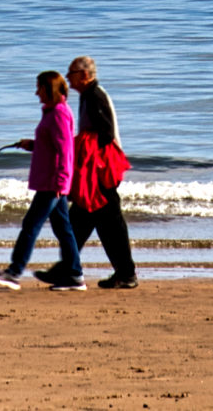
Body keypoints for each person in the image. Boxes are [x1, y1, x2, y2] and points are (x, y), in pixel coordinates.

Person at [0, 69, 83, 290]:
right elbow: (52, 146)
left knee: (31, 224)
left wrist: (61, 182)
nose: (36, 92)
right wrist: (33, 145)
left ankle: (14, 272)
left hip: (53, 183)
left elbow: (65, 151)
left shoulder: (59, 113)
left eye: (39, 87)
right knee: (63, 229)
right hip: (51, 181)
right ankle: (75, 276)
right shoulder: (53, 112)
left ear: (48, 89)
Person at [67, 55, 137, 288]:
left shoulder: (95, 96)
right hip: (97, 169)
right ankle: (124, 274)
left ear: (84, 75)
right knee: (93, 222)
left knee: (98, 223)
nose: (68, 79)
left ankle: (124, 275)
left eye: (72, 74)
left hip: (103, 169)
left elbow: (105, 134)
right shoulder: (89, 96)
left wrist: (79, 152)